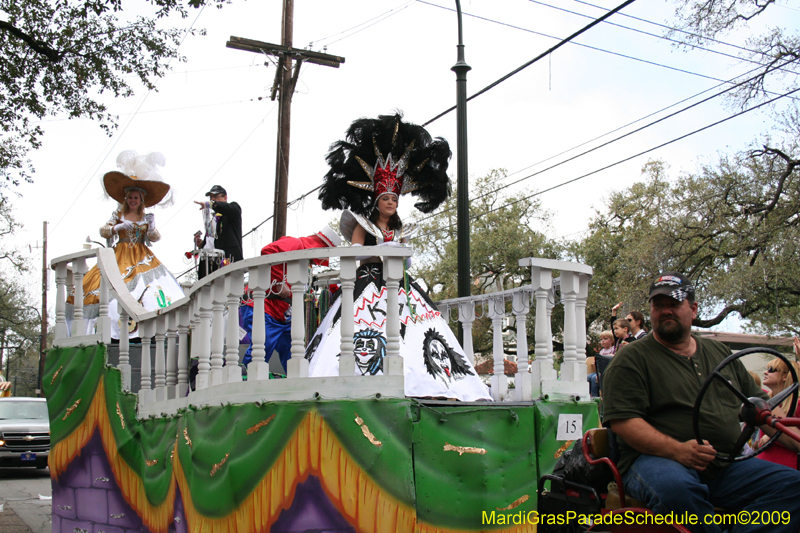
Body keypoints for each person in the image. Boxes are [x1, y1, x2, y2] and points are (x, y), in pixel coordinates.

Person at [309, 112, 490, 402]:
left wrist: (399, 251)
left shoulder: (400, 229)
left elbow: (407, 262)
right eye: (386, 198)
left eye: (394, 199)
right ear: (377, 200)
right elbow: (354, 253)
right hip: (366, 284)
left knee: (415, 331)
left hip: (399, 284)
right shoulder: (362, 224)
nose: (391, 202)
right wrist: (379, 250)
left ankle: (427, 384)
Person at [603, 272, 800, 533]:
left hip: (723, 465)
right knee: (677, 489)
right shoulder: (632, 359)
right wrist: (678, 451)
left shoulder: (719, 353)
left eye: (674, 304)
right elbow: (624, 422)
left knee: (794, 486)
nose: (665, 311)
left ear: (693, 309)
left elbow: (762, 410)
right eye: (658, 305)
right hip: (655, 461)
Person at [67, 151, 184, 339]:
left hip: (142, 256)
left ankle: (148, 327)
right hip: (120, 254)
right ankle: (113, 329)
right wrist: (118, 227)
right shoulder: (118, 215)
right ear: (126, 199)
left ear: (141, 200)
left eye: (136, 198)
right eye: (130, 197)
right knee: (109, 286)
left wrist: (151, 226)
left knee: (151, 289)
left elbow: (155, 238)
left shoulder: (146, 217)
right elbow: (104, 231)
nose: (133, 201)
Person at [240, 225, 342, 372]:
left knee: (294, 349)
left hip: (279, 314)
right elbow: (268, 251)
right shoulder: (296, 244)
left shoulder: (303, 261)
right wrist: (279, 283)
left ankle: (296, 380)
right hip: (263, 307)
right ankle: (245, 378)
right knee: (262, 346)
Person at [755, 342, 800, 469]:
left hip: (787, 468)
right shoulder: (763, 399)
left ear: (785, 376)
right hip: (763, 466)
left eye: (771, 370)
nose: (765, 372)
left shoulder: (797, 404)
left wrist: (774, 434)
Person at [193, 185, 242, 278]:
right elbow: (213, 242)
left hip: (227, 262)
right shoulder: (212, 220)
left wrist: (214, 205)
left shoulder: (232, 210)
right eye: (211, 197)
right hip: (210, 266)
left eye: (215, 196)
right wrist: (202, 244)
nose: (212, 199)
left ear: (225, 197)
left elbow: (231, 210)